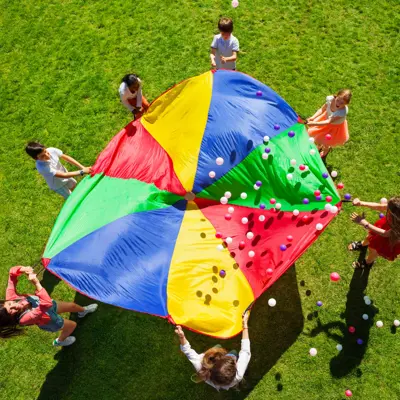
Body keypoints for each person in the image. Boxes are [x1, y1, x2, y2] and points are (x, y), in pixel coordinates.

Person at [0, 266, 98, 346]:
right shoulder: (24, 319)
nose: (14, 306)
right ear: (10, 318)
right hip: (49, 320)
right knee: (72, 325)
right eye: (11, 310)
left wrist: (23, 269)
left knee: (72, 306)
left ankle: (82, 311)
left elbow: (12, 273)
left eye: (9, 304)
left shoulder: (11, 297)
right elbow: (46, 304)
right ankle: (60, 341)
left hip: (49, 307)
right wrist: (36, 283)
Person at [175, 311, 250, 391]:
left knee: (218, 346)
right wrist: (244, 325)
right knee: (234, 352)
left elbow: (187, 350)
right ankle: (230, 353)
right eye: (234, 361)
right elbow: (245, 350)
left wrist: (182, 337)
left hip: (211, 360)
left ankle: (220, 348)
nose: (235, 360)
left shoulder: (200, 364)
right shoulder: (238, 375)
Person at [25, 142, 92, 199]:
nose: (47, 155)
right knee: (71, 198)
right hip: (58, 185)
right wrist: (82, 171)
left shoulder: (51, 150)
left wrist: (82, 167)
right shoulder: (42, 167)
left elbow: (67, 158)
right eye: (42, 156)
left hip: (67, 176)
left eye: (45, 151)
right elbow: (63, 175)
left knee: (74, 187)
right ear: (36, 158)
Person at [348, 197, 400, 268]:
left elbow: (385, 234)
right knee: (370, 236)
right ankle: (363, 245)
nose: (386, 209)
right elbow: (380, 207)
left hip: (389, 239)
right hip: (385, 227)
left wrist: (365, 223)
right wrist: (361, 203)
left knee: (374, 250)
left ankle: (368, 262)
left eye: (388, 210)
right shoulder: (396, 209)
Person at [306, 89, 352, 158]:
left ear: (346, 104)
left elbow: (328, 122)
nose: (338, 103)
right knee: (318, 137)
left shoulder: (342, 112)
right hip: (324, 119)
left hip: (334, 127)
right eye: (338, 100)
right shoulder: (330, 99)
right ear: (336, 96)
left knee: (327, 143)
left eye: (342, 103)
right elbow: (322, 109)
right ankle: (319, 146)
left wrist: (314, 123)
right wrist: (313, 117)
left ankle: (326, 150)